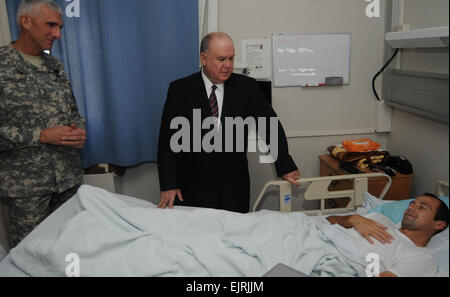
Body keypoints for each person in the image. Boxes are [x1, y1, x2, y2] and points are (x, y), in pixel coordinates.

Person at [157, 32, 300, 213]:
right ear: (204, 58)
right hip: (193, 187)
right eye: (221, 59)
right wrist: (169, 183)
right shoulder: (180, 90)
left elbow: (269, 125)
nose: (228, 65)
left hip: (234, 188)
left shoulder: (246, 87)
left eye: (231, 59)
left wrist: (285, 165)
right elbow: (167, 140)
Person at [0, 0, 86, 247]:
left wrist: (77, 129)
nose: (57, 34)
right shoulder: (3, 64)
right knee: (32, 255)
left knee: (70, 246)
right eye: (50, 25)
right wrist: (41, 135)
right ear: (26, 22)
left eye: (59, 27)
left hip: (67, 180)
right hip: (27, 188)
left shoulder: (55, 67)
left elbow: (72, 111)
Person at [327, 193, 449, 277]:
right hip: (317, 237)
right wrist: (351, 219)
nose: (411, 207)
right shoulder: (379, 218)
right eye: (412, 204)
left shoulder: (421, 258)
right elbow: (326, 221)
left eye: (421, 207)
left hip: (333, 262)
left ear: (439, 225)